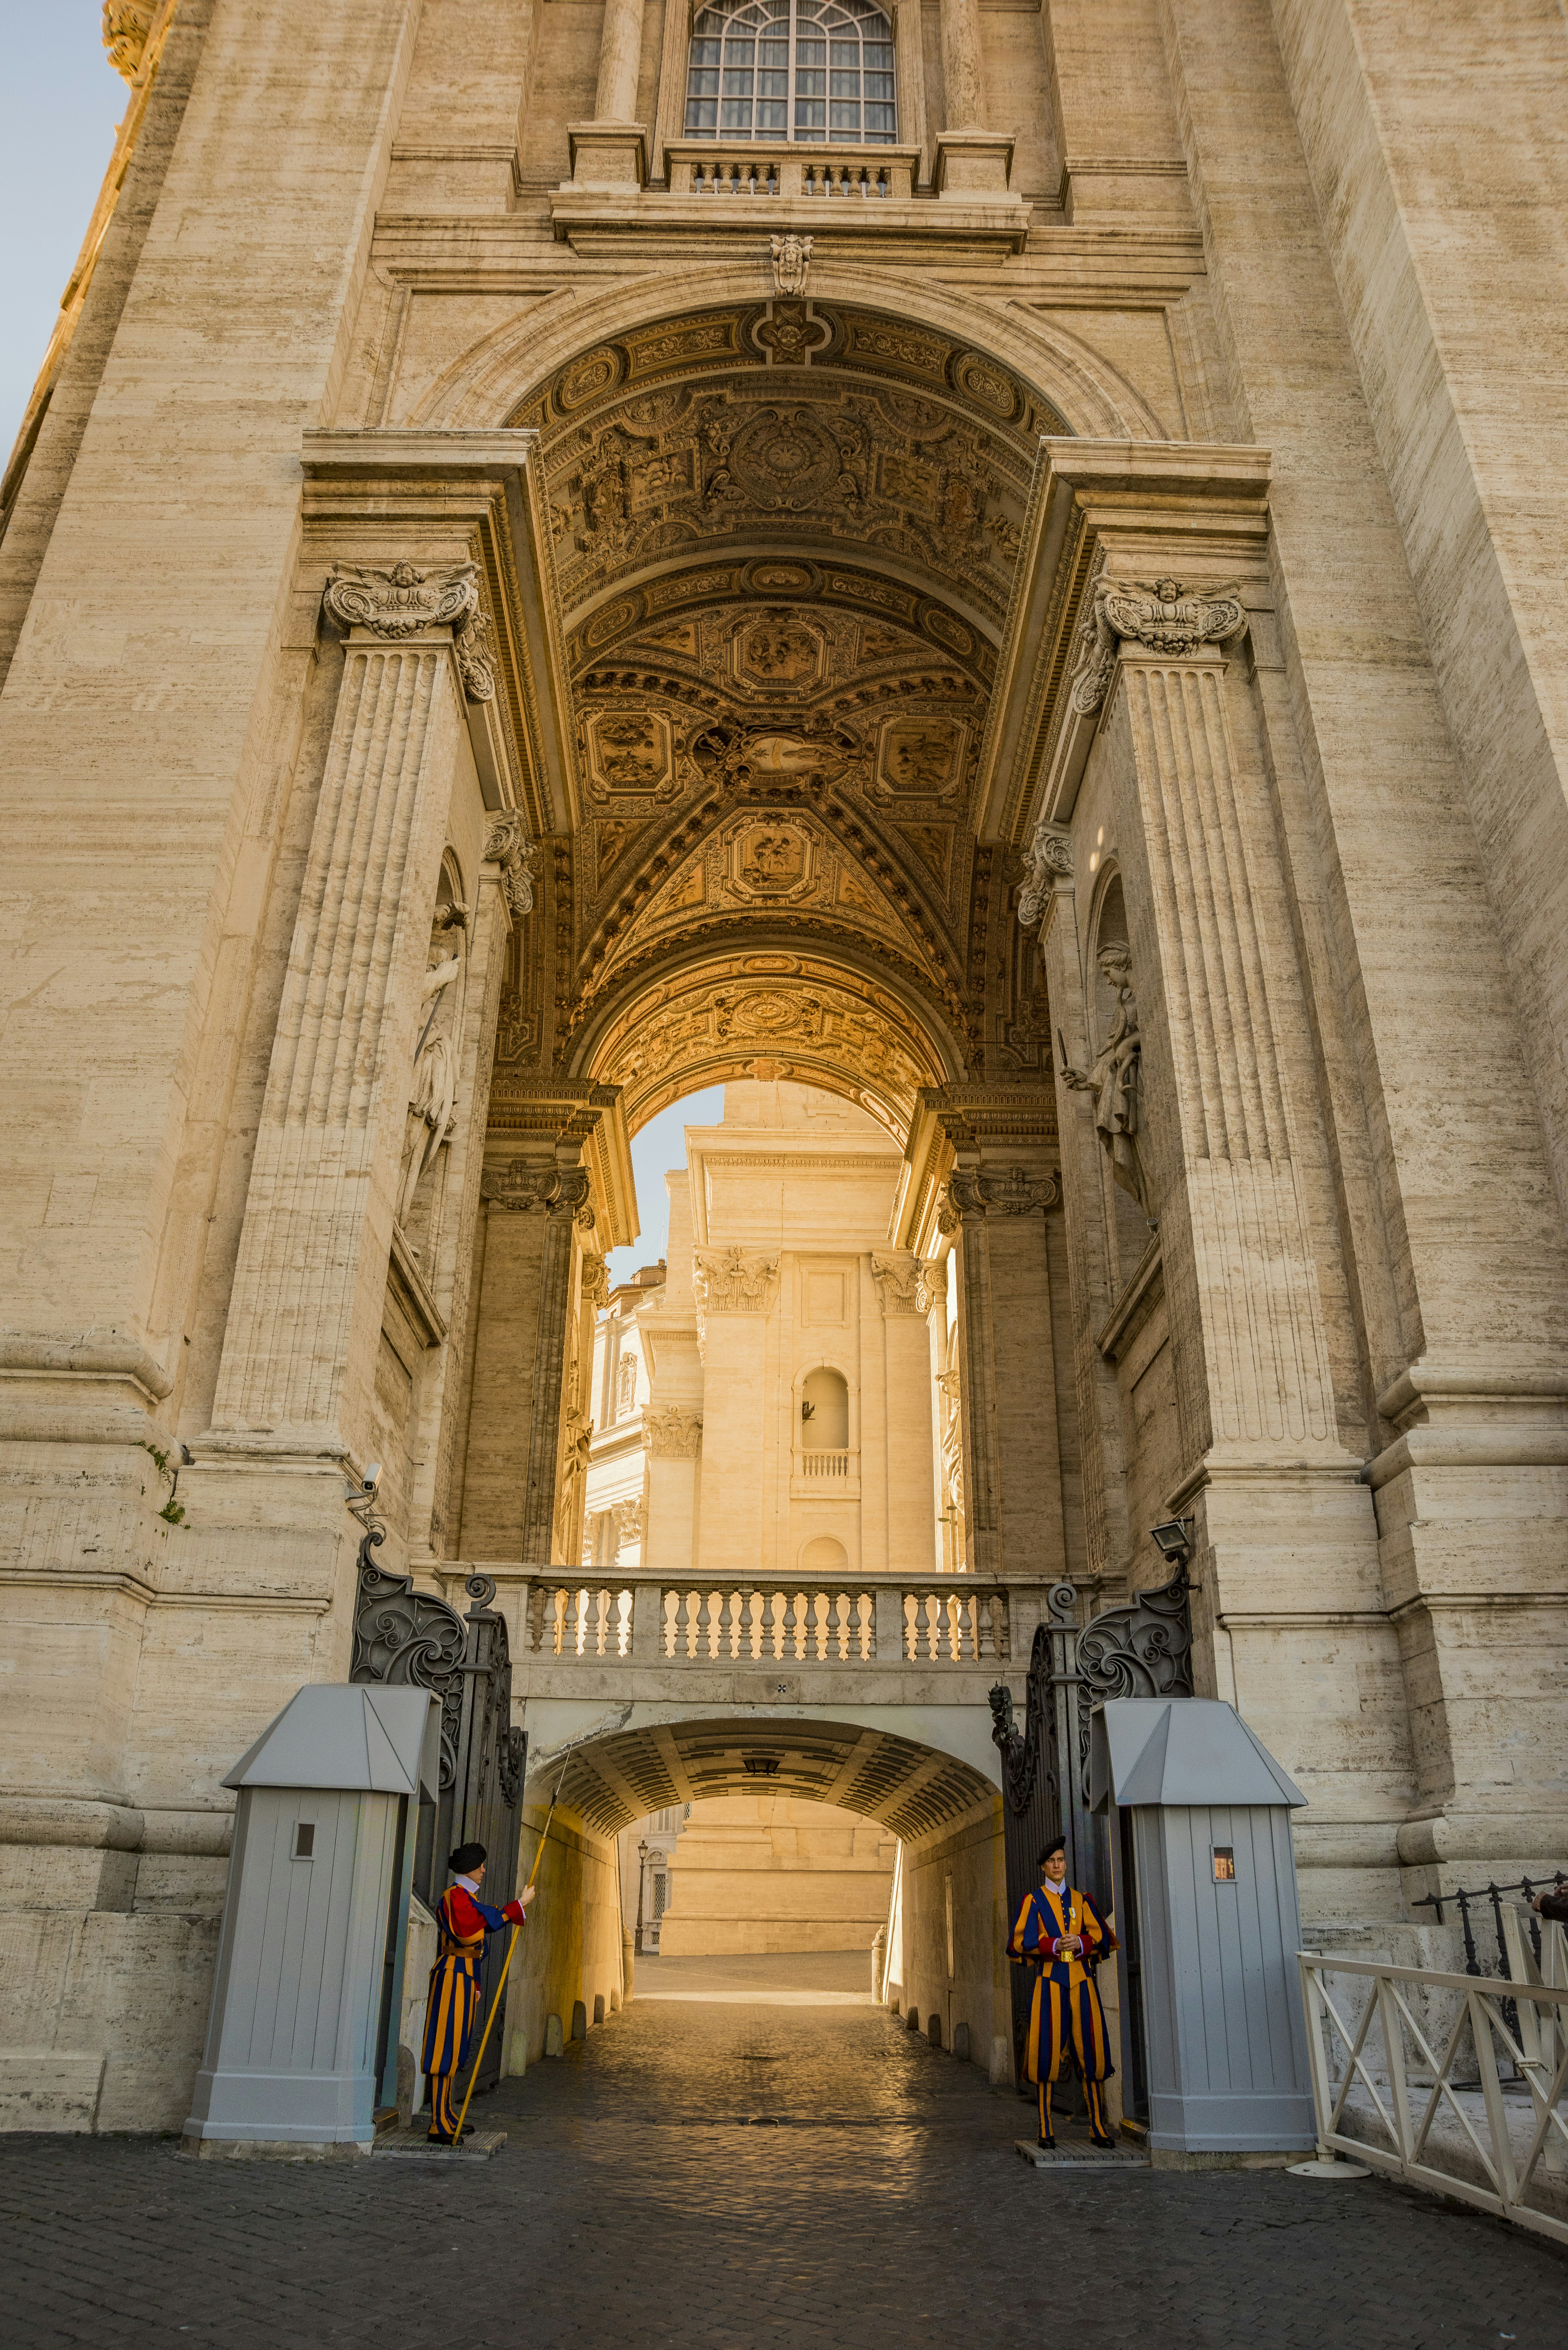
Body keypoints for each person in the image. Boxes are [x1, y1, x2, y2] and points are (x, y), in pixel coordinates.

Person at [1007, 1836, 1119, 2149]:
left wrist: (1080, 1943)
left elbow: (1101, 1939)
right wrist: (1053, 1945)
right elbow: (1018, 1943)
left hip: (1081, 1980)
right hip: (1050, 1981)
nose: (1057, 1865)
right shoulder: (1034, 1900)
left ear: (1065, 1863)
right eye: (1052, 1861)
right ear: (1044, 1867)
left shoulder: (1082, 1900)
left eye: (1061, 1860)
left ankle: (1098, 2125)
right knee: (1045, 2051)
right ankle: (1045, 2128)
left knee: (1092, 2051)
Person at [422, 1841, 536, 2144]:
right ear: (470, 1868)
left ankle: (446, 2113)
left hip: (464, 1975)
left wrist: (474, 1984)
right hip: (453, 1974)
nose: (484, 1870)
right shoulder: (455, 1898)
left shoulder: (467, 1898)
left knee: (456, 2047)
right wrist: (518, 1905)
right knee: (445, 2047)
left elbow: (482, 1921)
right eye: (480, 1865)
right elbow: (471, 1927)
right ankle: (438, 2122)